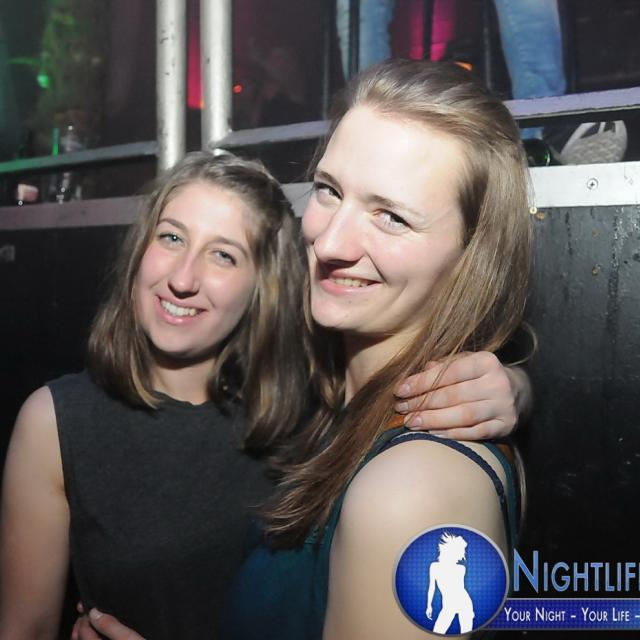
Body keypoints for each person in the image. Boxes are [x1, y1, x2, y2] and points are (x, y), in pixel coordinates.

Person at [72, 60, 531, 639]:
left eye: (391, 217)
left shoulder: (411, 493)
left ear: (472, 256)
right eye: (329, 191)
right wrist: (518, 386)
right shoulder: (339, 391)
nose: (330, 241)